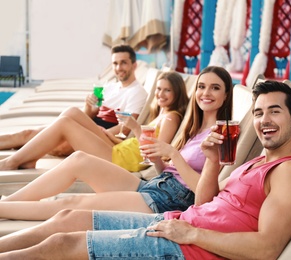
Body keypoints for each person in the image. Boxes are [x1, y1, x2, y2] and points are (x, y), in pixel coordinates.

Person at [0, 80, 291, 259]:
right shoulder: (260, 162)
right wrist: (211, 160)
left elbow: (267, 248)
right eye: (260, 112)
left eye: (274, 111)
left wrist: (191, 233)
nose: (264, 120)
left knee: (61, 245)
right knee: (66, 219)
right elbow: (204, 203)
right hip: (177, 224)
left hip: (188, 248)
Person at [0, 66, 233, 222]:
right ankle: (9, 201)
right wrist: (157, 159)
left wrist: (174, 153)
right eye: (202, 86)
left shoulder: (222, 134)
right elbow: (169, 171)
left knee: (71, 203)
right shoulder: (194, 128)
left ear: (225, 95)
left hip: (168, 201)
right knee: (79, 159)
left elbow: (206, 197)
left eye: (215, 88)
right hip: (154, 184)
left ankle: (3, 208)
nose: (206, 93)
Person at [0, 71, 188, 171]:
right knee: (72, 112)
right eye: (159, 89)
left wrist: (135, 128)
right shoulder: (161, 114)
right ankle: (28, 158)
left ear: (177, 93)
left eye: (167, 90)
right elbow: (135, 143)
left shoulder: (171, 118)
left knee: (66, 123)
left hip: (121, 160)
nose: (160, 94)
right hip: (118, 148)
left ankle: (12, 161)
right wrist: (112, 137)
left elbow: (157, 154)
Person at [0, 44, 147, 153]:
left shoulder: (137, 92)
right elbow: (88, 115)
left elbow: (125, 130)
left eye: (124, 63)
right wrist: (89, 106)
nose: (119, 67)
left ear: (134, 66)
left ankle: (18, 157)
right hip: (84, 126)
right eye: (115, 63)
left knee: (53, 146)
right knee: (26, 134)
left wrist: (93, 131)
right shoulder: (109, 87)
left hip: (100, 136)